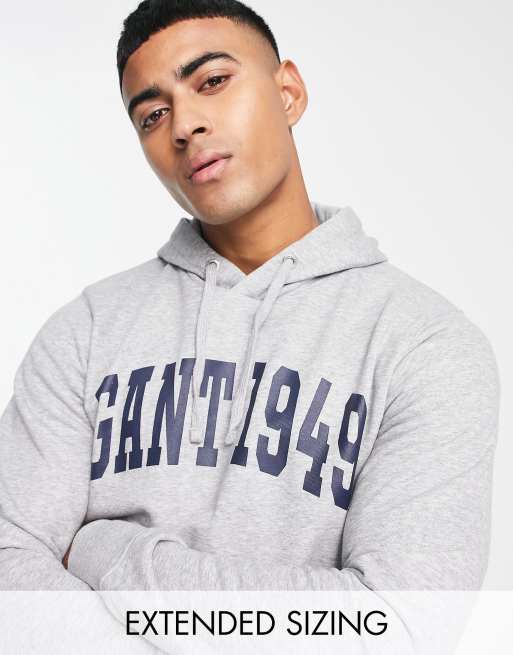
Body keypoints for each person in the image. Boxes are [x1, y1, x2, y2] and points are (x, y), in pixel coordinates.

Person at [0, 0, 500, 600]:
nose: (184, 126)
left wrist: (108, 555)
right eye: (153, 115)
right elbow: (10, 573)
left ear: (288, 93)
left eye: (212, 81)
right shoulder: (85, 332)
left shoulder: (427, 346)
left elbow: (396, 621)